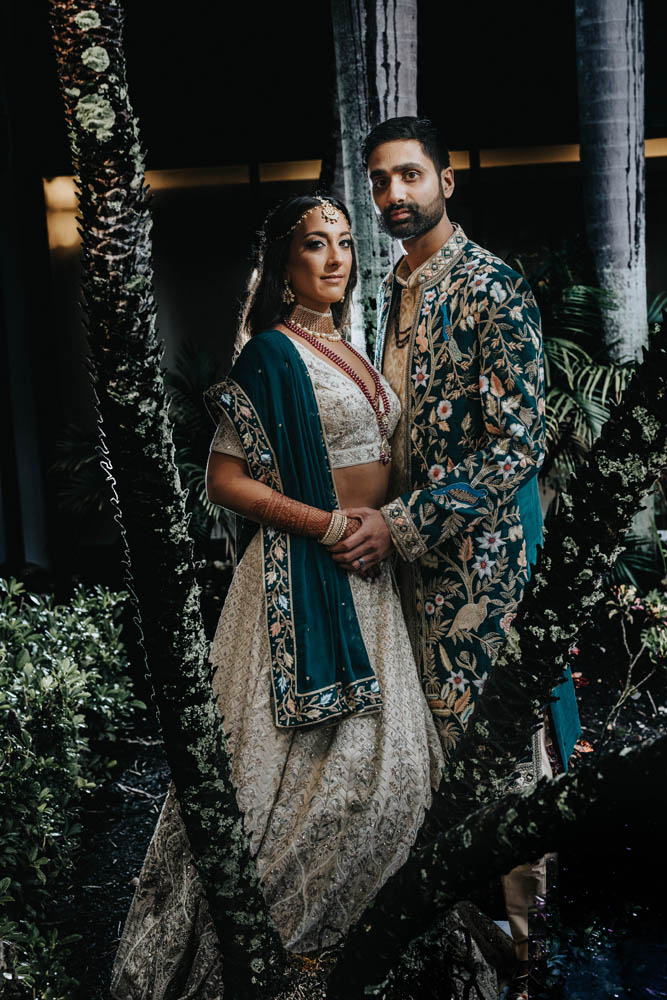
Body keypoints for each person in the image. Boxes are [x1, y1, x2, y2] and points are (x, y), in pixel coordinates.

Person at [110, 194, 444, 998]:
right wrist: (326, 525)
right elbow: (223, 481)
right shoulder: (270, 352)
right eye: (313, 247)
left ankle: (360, 955)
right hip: (301, 571)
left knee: (392, 779)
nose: (334, 259)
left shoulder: (354, 352)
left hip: (372, 574)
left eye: (341, 244)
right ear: (283, 265)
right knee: (295, 786)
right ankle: (279, 953)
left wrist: (388, 526)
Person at [329, 117, 581, 994]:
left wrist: (401, 524)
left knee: (504, 769)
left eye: (409, 176)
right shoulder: (391, 291)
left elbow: (517, 447)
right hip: (400, 579)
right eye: (380, 181)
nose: (394, 195)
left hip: (477, 583)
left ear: (445, 181)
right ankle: (459, 960)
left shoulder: (491, 288)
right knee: (423, 770)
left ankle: (525, 958)